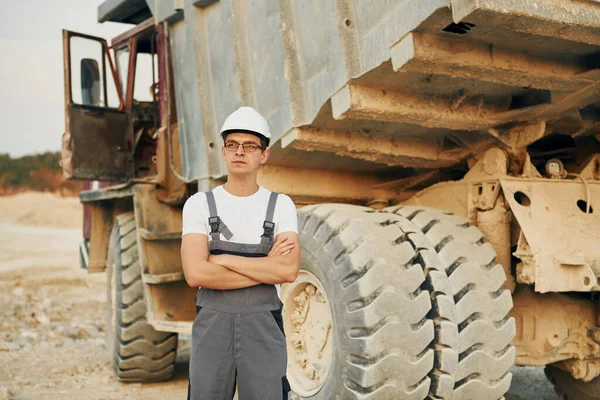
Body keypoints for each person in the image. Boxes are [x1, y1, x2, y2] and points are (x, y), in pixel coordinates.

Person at [181, 106, 300, 400]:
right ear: (223, 152)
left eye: (249, 146)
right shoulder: (199, 204)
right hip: (212, 327)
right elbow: (195, 273)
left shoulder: (281, 205)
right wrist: (265, 266)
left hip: (263, 327)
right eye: (232, 145)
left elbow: (287, 271)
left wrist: (221, 259)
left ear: (264, 154)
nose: (239, 152)